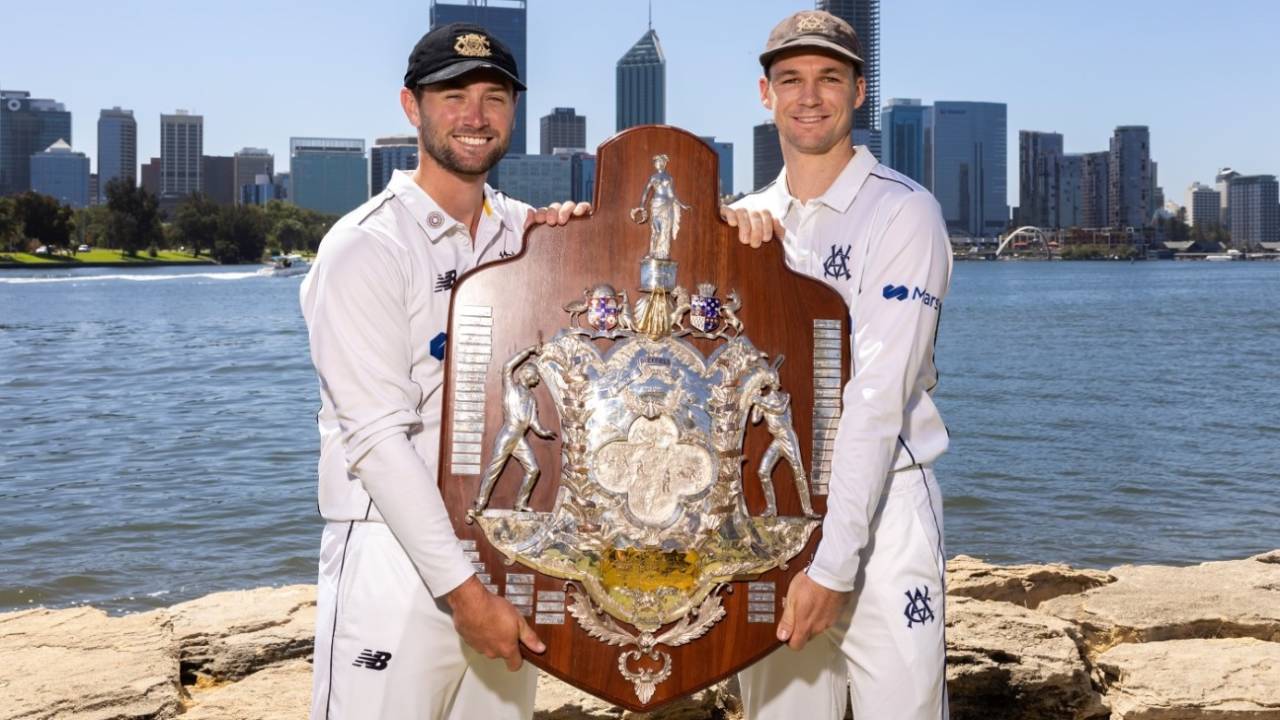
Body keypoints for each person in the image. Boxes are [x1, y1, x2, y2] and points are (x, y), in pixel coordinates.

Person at [300, 23, 586, 720]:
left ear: (515, 112)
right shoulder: (366, 247)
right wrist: (464, 593)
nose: (475, 116)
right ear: (411, 107)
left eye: (494, 97)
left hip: (506, 541)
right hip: (393, 551)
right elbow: (373, 439)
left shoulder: (528, 234)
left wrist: (589, 239)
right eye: (453, 95)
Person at [723, 10, 952, 719]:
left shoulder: (903, 212)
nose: (809, 96)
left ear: (859, 93)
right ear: (766, 95)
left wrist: (832, 563)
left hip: (885, 510)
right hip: (770, 513)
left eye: (830, 78)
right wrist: (728, 254)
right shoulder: (741, 222)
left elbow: (877, 398)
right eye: (790, 80)